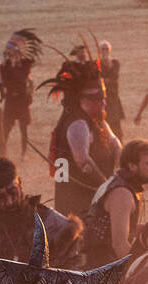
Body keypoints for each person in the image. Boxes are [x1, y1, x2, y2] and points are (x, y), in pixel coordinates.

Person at [39, 57, 121, 216]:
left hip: (91, 199)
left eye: (104, 97)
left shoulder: (95, 120)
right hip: (79, 205)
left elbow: (115, 143)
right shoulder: (78, 125)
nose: (104, 102)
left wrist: (118, 172)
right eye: (98, 98)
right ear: (82, 99)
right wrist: (106, 187)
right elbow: (83, 161)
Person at [82, 138, 148, 268]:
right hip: (102, 269)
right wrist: (141, 272)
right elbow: (119, 246)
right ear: (132, 166)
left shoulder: (118, 182)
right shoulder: (122, 194)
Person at [0, 30, 41, 158]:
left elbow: (21, 78)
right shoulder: (5, 65)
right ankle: (2, 153)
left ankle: (24, 153)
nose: (7, 51)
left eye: (10, 49)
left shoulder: (25, 63)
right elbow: (5, 82)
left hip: (22, 100)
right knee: (6, 128)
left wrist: (12, 68)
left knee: (23, 129)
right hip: (11, 99)